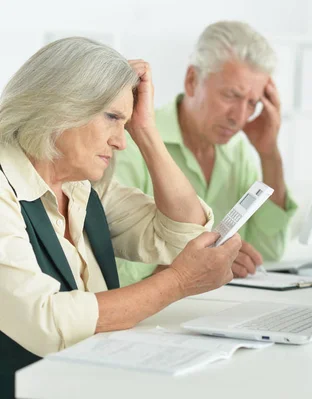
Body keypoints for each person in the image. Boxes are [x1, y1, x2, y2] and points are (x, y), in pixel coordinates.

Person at [0, 37, 241, 398]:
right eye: (112, 117)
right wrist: (179, 282)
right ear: (60, 105)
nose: (121, 141)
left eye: (126, 124)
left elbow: (183, 235)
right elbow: (44, 321)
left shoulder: (82, 189)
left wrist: (146, 131)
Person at [115, 21, 297, 287]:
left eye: (252, 103)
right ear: (192, 81)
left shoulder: (237, 152)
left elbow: (269, 252)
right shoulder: (130, 144)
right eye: (231, 95)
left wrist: (269, 153)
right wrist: (197, 267)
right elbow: (114, 275)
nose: (239, 117)